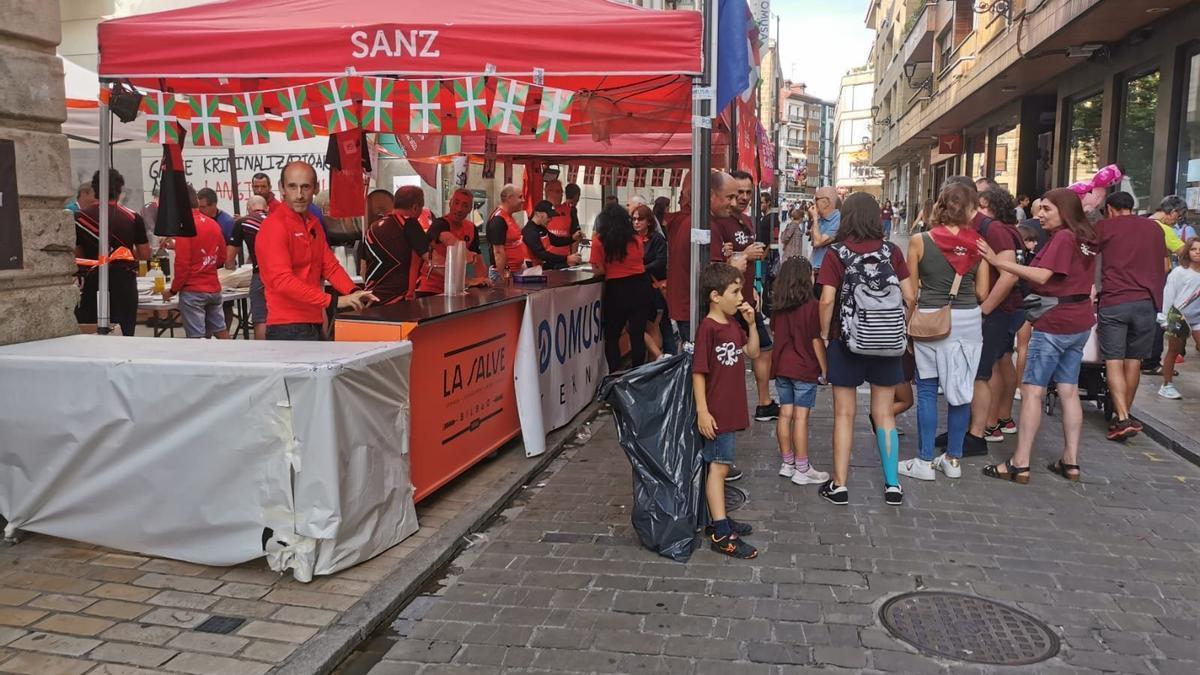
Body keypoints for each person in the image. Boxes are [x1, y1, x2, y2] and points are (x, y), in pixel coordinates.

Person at [979, 188, 1098, 483]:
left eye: (1047, 209)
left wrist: (997, 260)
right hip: (1080, 321)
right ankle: (1070, 461)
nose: (1039, 214)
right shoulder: (1086, 237)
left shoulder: (1064, 238)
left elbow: (1042, 275)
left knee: (1033, 390)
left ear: (1064, 210)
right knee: (1068, 390)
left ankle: (1020, 462)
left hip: (1055, 322)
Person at [817, 192, 914, 506]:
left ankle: (840, 484)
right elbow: (911, 297)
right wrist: (900, 328)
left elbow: (827, 299)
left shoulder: (837, 254)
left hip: (846, 342)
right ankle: (892, 484)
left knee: (844, 414)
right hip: (887, 344)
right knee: (884, 414)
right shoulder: (892, 252)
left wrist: (824, 333)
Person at [899, 182, 991, 481]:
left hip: (930, 319)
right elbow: (982, 292)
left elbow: (910, 292)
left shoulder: (919, 240)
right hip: (968, 320)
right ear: (970, 209)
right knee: (961, 389)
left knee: (926, 388)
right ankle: (953, 459)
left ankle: (924, 460)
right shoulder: (979, 243)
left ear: (938, 205)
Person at [257, 161, 375, 341]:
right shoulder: (274, 226)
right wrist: (333, 301)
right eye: (292, 187)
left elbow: (330, 266)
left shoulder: (313, 223)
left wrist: (353, 291)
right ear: (282, 188)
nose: (299, 195)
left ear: (316, 188)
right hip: (287, 326)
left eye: (305, 187)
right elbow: (282, 280)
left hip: (313, 321)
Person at [693, 262, 760, 559]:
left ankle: (716, 519)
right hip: (717, 410)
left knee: (719, 466)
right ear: (715, 296)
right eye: (735, 291)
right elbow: (698, 372)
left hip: (731, 408)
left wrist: (752, 324)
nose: (740, 296)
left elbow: (753, 352)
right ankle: (721, 532)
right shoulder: (708, 328)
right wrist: (702, 411)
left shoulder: (733, 324)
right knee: (719, 468)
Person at [1094, 191, 1168, 439]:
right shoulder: (1155, 229)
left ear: (1110, 209)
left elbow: (1088, 254)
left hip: (1115, 300)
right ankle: (1121, 415)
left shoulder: (1105, 227)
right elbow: (1165, 264)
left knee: (1113, 359)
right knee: (1134, 360)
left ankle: (1123, 417)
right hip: (1146, 302)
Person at [712, 170, 776, 422]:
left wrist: (754, 287)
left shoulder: (748, 221)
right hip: (727, 301)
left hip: (746, 296)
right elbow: (717, 261)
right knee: (741, 352)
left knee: (762, 347)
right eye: (738, 193)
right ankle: (737, 407)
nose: (743, 198)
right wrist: (742, 254)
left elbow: (747, 255)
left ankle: (763, 403)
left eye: (749, 193)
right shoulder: (718, 220)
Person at [770, 256, 830, 486]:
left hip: (782, 365)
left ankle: (787, 462)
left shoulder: (779, 308)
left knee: (785, 414)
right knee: (801, 417)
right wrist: (825, 369)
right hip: (804, 367)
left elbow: (777, 334)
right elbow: (816, 341)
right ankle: (803, 468)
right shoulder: (812, 307)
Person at [73, 169, 151, 337]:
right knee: (124, 335)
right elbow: (145, 254)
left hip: (93, 281)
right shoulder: (133, 217)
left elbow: (78, 255)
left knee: (92, 334)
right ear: (120, 190)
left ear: (94, 189)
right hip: (124, 284)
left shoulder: (80, 218)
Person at [976, 187, 1025, 442]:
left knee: (992, 365)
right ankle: (1004, 417)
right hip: (1010, 307)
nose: (978, 212)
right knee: (1005, 359)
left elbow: (1010, 274)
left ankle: (991, 422)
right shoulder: (1010, 230)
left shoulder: (996, 230)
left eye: (982, 206)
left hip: (1001, 307)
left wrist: (985, 310)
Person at [591, 204, 653, 372]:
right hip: (640, 286)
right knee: (637, 335)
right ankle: (637, 376)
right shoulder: (636, 239)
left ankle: (616, 375)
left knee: (612, 336)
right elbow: (640, 261)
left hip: (616, 289)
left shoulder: (599, 241)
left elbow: (599, 270)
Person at [166, 187, 229, 339]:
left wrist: (173, 290)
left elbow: (182, 265)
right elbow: (222, 257)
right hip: (213, 287)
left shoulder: (184, 228)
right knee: (221, 330)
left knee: (196, 339)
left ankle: (203, 361)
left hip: (193, 290)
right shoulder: (213, 224)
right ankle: (233, 358)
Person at [362, 186, 433, 304]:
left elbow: (363, 269)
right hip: (398, 301)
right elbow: (431, 260)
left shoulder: (372, 228)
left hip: (371, 300)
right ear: (415, 207)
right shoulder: (410, 224)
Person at [415, 188, 485, 297]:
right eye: (456, 203)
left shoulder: (471, 228)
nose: (459, 209)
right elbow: (448, 239)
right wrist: (466, 254)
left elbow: (478, 259)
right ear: (450, 204)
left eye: (465, 205)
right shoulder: (439, 224)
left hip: (456, 288)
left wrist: (483, 281)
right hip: (430, 287)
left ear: (470, 209)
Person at [1159, 237, 1200, 399]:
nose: (1197, 252)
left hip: (1197, 318)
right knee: (1173, 351)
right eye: (1194, 249)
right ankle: (1166, 385)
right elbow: (1168, 294)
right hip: (1178, 317)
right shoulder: (1179, 272)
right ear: (1187, 251)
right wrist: (1164, 318)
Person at [227, 195, 269, 340]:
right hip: (281, 274)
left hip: (260, 274)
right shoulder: (276, 219)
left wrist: (229, 266)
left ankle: (262, 354)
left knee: (260, 317)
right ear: (267, 207)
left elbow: (230, 257)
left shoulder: (243, 222)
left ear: (248, 209)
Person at [633, 204, 670, 359]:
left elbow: (661, 261)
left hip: (656, 289)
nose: (636, 222)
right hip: (639, 289)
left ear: (648, 221)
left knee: (654, 327)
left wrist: (641, 268)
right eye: (634, 219)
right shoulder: (631, 239)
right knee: (642, 327)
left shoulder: (657, 239)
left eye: (639, 219)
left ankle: (656, 361)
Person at [522, 201, 582, 270]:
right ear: (537, 214)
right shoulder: (530, 231)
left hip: (540, 268)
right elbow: (541, 254)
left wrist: (573, 238)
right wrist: (566, 259)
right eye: (549, 216)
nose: (550, 219)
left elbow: (556, 240)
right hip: (530, 272)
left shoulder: (541, 228)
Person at [486, 184, 528, 278]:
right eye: (520, 197)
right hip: (504, 274)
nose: (523, 200)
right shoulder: (498, 220)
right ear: (509, 198)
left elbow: (516, 242)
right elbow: (498, 252)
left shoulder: (509, 217)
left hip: (516, 271)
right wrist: (506, 276)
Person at [808, 186, 842, 288]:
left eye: (816, 199)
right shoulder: (821, 219)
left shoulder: (838, 220)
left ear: (826, 202)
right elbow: (813, 242)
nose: (814, 203)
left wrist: (814, 217)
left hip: (826, 272)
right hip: (815, 270)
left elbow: (818, 242)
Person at [544, 179, 581, 259]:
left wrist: (574, 255)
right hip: (546, 260)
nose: (561, 195)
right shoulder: (539, 211)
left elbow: (575, 235)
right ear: (548, 192)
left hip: (565, 260)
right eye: (557, 191)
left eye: (561, 192)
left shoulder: (570, 210)